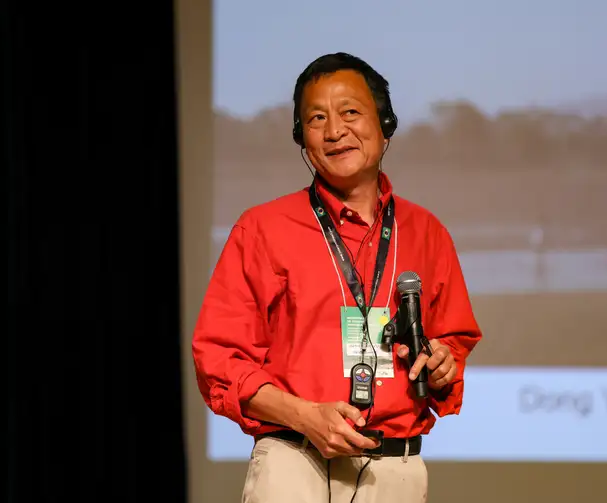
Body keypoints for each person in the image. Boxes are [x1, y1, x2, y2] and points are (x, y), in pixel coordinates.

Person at [192, 52, 482, 503]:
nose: (333, 131)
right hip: (294, 463)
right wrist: (304, 416)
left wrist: (443, 362)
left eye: (350, 112)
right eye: (316, 118)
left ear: (385, 125)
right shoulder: (262, 229)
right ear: (300, 138)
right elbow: (219, 363)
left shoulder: (428, 233)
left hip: (396, 471)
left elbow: (452, 343)